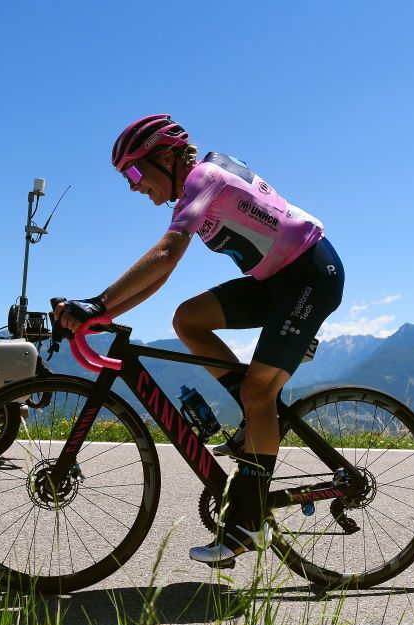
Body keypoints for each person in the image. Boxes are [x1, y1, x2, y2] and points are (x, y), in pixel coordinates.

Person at [54, 114, 345, 566]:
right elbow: (162, 276)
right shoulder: (198, 184)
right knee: (188, 320)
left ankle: (248, 524)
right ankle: (254, 415)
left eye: (134, 172)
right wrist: (104, 313)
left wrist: (97, 302)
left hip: (309, 276)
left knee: (257, 390)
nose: (133, 186)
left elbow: (166, 254)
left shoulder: (203, 178)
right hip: (277, 281)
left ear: (165, 157)